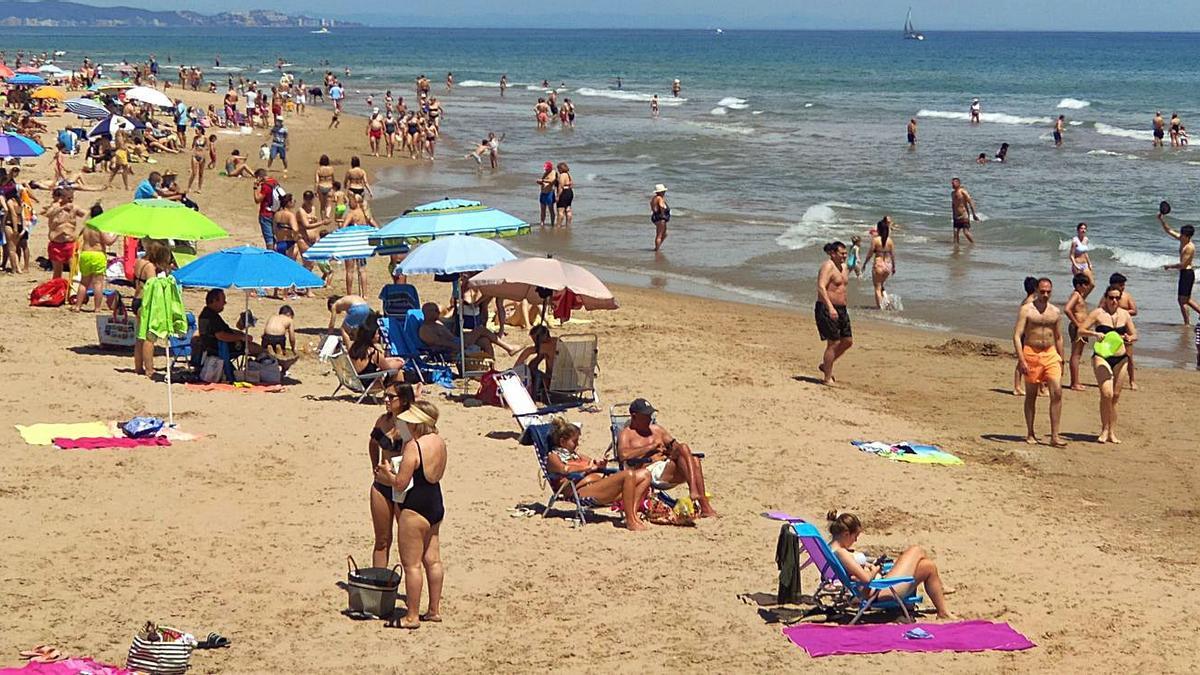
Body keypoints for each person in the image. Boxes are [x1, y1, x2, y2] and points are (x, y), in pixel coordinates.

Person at [372, 400, 446, 630]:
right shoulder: (439, 441)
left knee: (411, 564)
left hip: (415, 506)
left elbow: (401, 483)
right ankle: (433, 610)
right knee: (432, 560)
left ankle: (412, 616)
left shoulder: (415, 446)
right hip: (435, 501)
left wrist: (386, 476)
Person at [825, 511, 951, 619]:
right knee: (916, 550)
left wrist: (867, 566)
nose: (855, 540)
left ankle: (943, 612)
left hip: (879, 588)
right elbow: (866, 579)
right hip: (881, 591)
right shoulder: (841, 553)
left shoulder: (830, 548)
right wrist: (876, 569)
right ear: (846, 534)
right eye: (855, 536)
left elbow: (855, 575)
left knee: (928, 566)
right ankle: (941, 588)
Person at [616, 398, 716, 517]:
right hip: (649, 471)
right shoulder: (626, 433)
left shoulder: (657, 430)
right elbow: (623, 455)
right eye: (646, 415)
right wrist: (651, 447)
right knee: (690, 457)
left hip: (666, 465)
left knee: (689, 453)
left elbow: (676, 446)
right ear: (634, 416)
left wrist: (669, 451)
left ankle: (698, 497)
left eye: (650, 414)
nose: (650, 418)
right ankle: (701, 501)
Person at [545, 417, 649, 531]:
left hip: (598, 486)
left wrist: (600, 465)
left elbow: (593, 463)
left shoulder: (577, 456)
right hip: (579, 491)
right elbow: (565, 469)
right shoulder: (553, 456)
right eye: (574, 441)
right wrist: (587, 467)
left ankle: (633, 515)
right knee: (628, 474)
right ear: (562, 442)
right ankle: (630, 521)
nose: (577, 444)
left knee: (645, 475)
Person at [1078, 285, 1137, 444]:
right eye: (1111, 298)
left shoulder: (1124, 315)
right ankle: (1104, 429)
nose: (1114, 301)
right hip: (1102, 357)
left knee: (1115, 397)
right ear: (1106, 298)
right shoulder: (1098, 313)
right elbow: (1081, 330)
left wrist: (1129, 338)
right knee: (1107, 394)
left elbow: (1134, 334)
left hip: (1121, 358)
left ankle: (1112, 432)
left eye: (1117, 298)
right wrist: (1095, 333)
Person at [368, 383, 417, 567]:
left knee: (407, 544)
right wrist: (375, 466)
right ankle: (378, 586)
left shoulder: (406, 425)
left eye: (391, 397)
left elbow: (410, 449)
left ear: (403, 400)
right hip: (381, 485)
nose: (386, 400)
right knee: (381, 540)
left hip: (402, 486)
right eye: (385, 396)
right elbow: (373, 443)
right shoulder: (383, 421)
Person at [1012, 278, 1066, 447]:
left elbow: (1058, 337)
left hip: (1050, 353)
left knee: (1057, 392)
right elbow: (1017, 335)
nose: (1045, 295)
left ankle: (1054, 435)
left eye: (1048, 291)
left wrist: (1061, 359)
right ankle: (1030, 432)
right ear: (1037, 290)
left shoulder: (1055, 312)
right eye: (1042, 291)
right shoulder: (1026, 310)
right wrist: (1021, 360)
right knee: (1031, 395)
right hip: (1031, 353)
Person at [133, 241, 174, 379]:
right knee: (149, 337)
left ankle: (138, 367)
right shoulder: (150, 267)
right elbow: (153, 286)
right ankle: (149, 369)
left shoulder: (139, 261)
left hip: (136, 300)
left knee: (140, 336)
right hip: (145, 302)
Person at [417, 302, 514, 359]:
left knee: (484, 341)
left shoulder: (437, 323)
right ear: (427, 313)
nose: (438, 312)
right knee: (480, 329)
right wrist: (460, 345)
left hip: (457, 341)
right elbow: (440, 343)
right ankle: (508, 348)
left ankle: (491, 367)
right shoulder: (425, 329)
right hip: (452, 348)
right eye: (435, 311)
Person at [815, 241, 852, 384]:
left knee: (847, 341)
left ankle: (826, 365)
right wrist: (830, 307)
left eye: (845, 253)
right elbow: (821, 287)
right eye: (841, 253)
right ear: (833, 253)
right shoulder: (827, 266)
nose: (844, 256)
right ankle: (827, 378)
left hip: (841, 309)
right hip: (827, 308)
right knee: (834, 343)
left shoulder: (842, 267)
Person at [71, 203, 117, 313]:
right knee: (98, 283)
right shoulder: (100, 226)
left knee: (84, 282)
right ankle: (97, 308)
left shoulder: (87, 226)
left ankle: (77, 306)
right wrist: (116, 234)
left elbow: (78, 237)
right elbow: (108, 241)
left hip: (85, 254)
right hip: (97, 254)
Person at [1158, 211, 1200, 325]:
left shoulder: (1189, 247)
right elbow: (1169, 231)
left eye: (1182, 234)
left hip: (1187, 273)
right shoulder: (1183, 240)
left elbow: (1183, 265)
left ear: (1188, 236)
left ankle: (1187, 323)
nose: (1180, 235)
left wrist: (1169, 266)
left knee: (1182, 301)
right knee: (1186, 300)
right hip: (1185, 273)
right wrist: (1162, 220)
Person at [198, 288, 262, 359]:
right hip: (220, 348)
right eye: (223, 300)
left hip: (214, 347)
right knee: (257, 349)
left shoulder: (208, 313)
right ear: (214, 301)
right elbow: (221, 335)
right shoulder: (211, 317)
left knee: (252, 345)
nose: (225, 303)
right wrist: (241, 337)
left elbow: (221, 330)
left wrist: (239, 334)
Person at [43, 188, 86, 280]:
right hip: (56, 244)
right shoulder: (55, 206)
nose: (71, 200)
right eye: (69, 198)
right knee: (57, 272)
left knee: (74, 270)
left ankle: (74, 292)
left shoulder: (74, 207)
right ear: (62, 197)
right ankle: (56, 290)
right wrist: (61, 208)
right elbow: (48, 214)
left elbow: (85, 214)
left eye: (72, 198)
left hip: (70, 244)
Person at [1063, 273, 1094, 391]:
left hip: (1082, 328)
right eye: (1085, 284)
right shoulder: (1076, 295)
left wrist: (1088, 269)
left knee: (1078, 355)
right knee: (1075, 355)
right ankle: (1074, 383)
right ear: (1079, 285)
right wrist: (1077, 324)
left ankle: (1075, 382)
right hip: (1078, 327)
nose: (1087, 287)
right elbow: (1067, 309)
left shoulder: (1080, 295)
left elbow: (1092, 285)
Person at [1108, 272, 1139, 390]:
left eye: (1123, 284)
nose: (1123, 287)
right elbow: (1101, 309)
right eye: (1121, 284)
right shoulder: (1107, 296)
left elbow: (1134, 310)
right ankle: (1111, 377)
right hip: (1111, 328)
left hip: (1125, 328)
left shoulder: (1127, 296)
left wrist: (1121, 311)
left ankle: (1132, 380)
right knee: (1110, 353)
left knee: (1129, 356)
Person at [868, 217, 896, 309]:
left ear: (879, 229)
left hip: (879, 265)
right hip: (888, 265)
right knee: (881, 285)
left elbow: (870, 253)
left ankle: (880, 308)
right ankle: (886, 300)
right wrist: (894, 267)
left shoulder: (875, 240)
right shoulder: (890, 241)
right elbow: (893, 255)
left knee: (877, 287)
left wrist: (865, 263)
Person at [253, 169, 282, 249]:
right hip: (275, 212)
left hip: (265, 214)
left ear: (259, 177)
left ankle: (270, 257)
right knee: (274, 237)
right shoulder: (274, 182)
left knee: (269, 240)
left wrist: (255, 188)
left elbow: (257, 199)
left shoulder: (265, 186)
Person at [950, 177, 978, 245]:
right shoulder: (952, 193)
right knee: (955, 232)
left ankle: (974, 245)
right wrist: (953, 215)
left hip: (964, 215)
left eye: (954, 183)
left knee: (966, 232)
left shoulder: (963, 191)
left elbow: (970, 202)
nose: (952, 185)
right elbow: (953, 205)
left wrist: (974, 214)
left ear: (958, 183)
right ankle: (956, 248)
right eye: (952, 183)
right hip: (956, 216)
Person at [650, 183, 670, 252]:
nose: (664, 193)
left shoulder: (654, 198)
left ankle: (657, 247)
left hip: (655, 216)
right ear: (661, 192)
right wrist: (662, 214)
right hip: (660, 217)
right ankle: (657, 250)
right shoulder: (660, 198)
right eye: (663, 191)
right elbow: (661, 206)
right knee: (659, 235)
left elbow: (653, 208)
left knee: (664, 233)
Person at [537, 161, 557, 227]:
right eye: (545, 168)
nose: (546, 169)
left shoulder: (553, 172)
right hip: (543, 193)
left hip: (549, 193)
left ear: (550, 168)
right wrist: (540, 182)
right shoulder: (545, 173)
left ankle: (552, 224)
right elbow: (544, 182)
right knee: (542, 209)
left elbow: (552, 181)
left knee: (551, 209)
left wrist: (543, 180)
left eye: (547, 168)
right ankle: (542, 222)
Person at [186, 129, 207, 193]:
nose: (196, 132)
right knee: (194, 173)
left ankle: (199, 188)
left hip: (202, 156)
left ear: (200, 131)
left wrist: (203, 156)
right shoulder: (195, 138)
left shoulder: (205, 139)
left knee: (201, 173)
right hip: (195, 155)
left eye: (197, 130)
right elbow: (193, 147)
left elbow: (206, 148)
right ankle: (189, 187)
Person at [554, 162, 573, 227]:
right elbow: (571, 184)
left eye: (558, 169)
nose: (558, 170)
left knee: (560, 211)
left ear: (561, 168)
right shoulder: (568, 174)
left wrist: (558, 196)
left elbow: (560, 186)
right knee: (568, 209)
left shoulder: (562, 175)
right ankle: (568, 225)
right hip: (569, 192)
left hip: (564, 192)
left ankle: (558, 225)